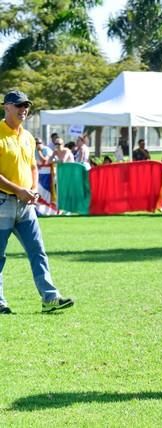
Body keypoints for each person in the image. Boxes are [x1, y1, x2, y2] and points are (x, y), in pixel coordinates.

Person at [0, 90, 74, 314]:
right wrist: (18, 190)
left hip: (25, 206)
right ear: (6, 107)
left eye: (26, 106)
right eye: (19, 105)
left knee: (38, 251)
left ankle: (50, 299)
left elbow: (33, 166)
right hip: (3, 201)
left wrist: (32, 189)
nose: (24, 109)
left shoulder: (28, 137)